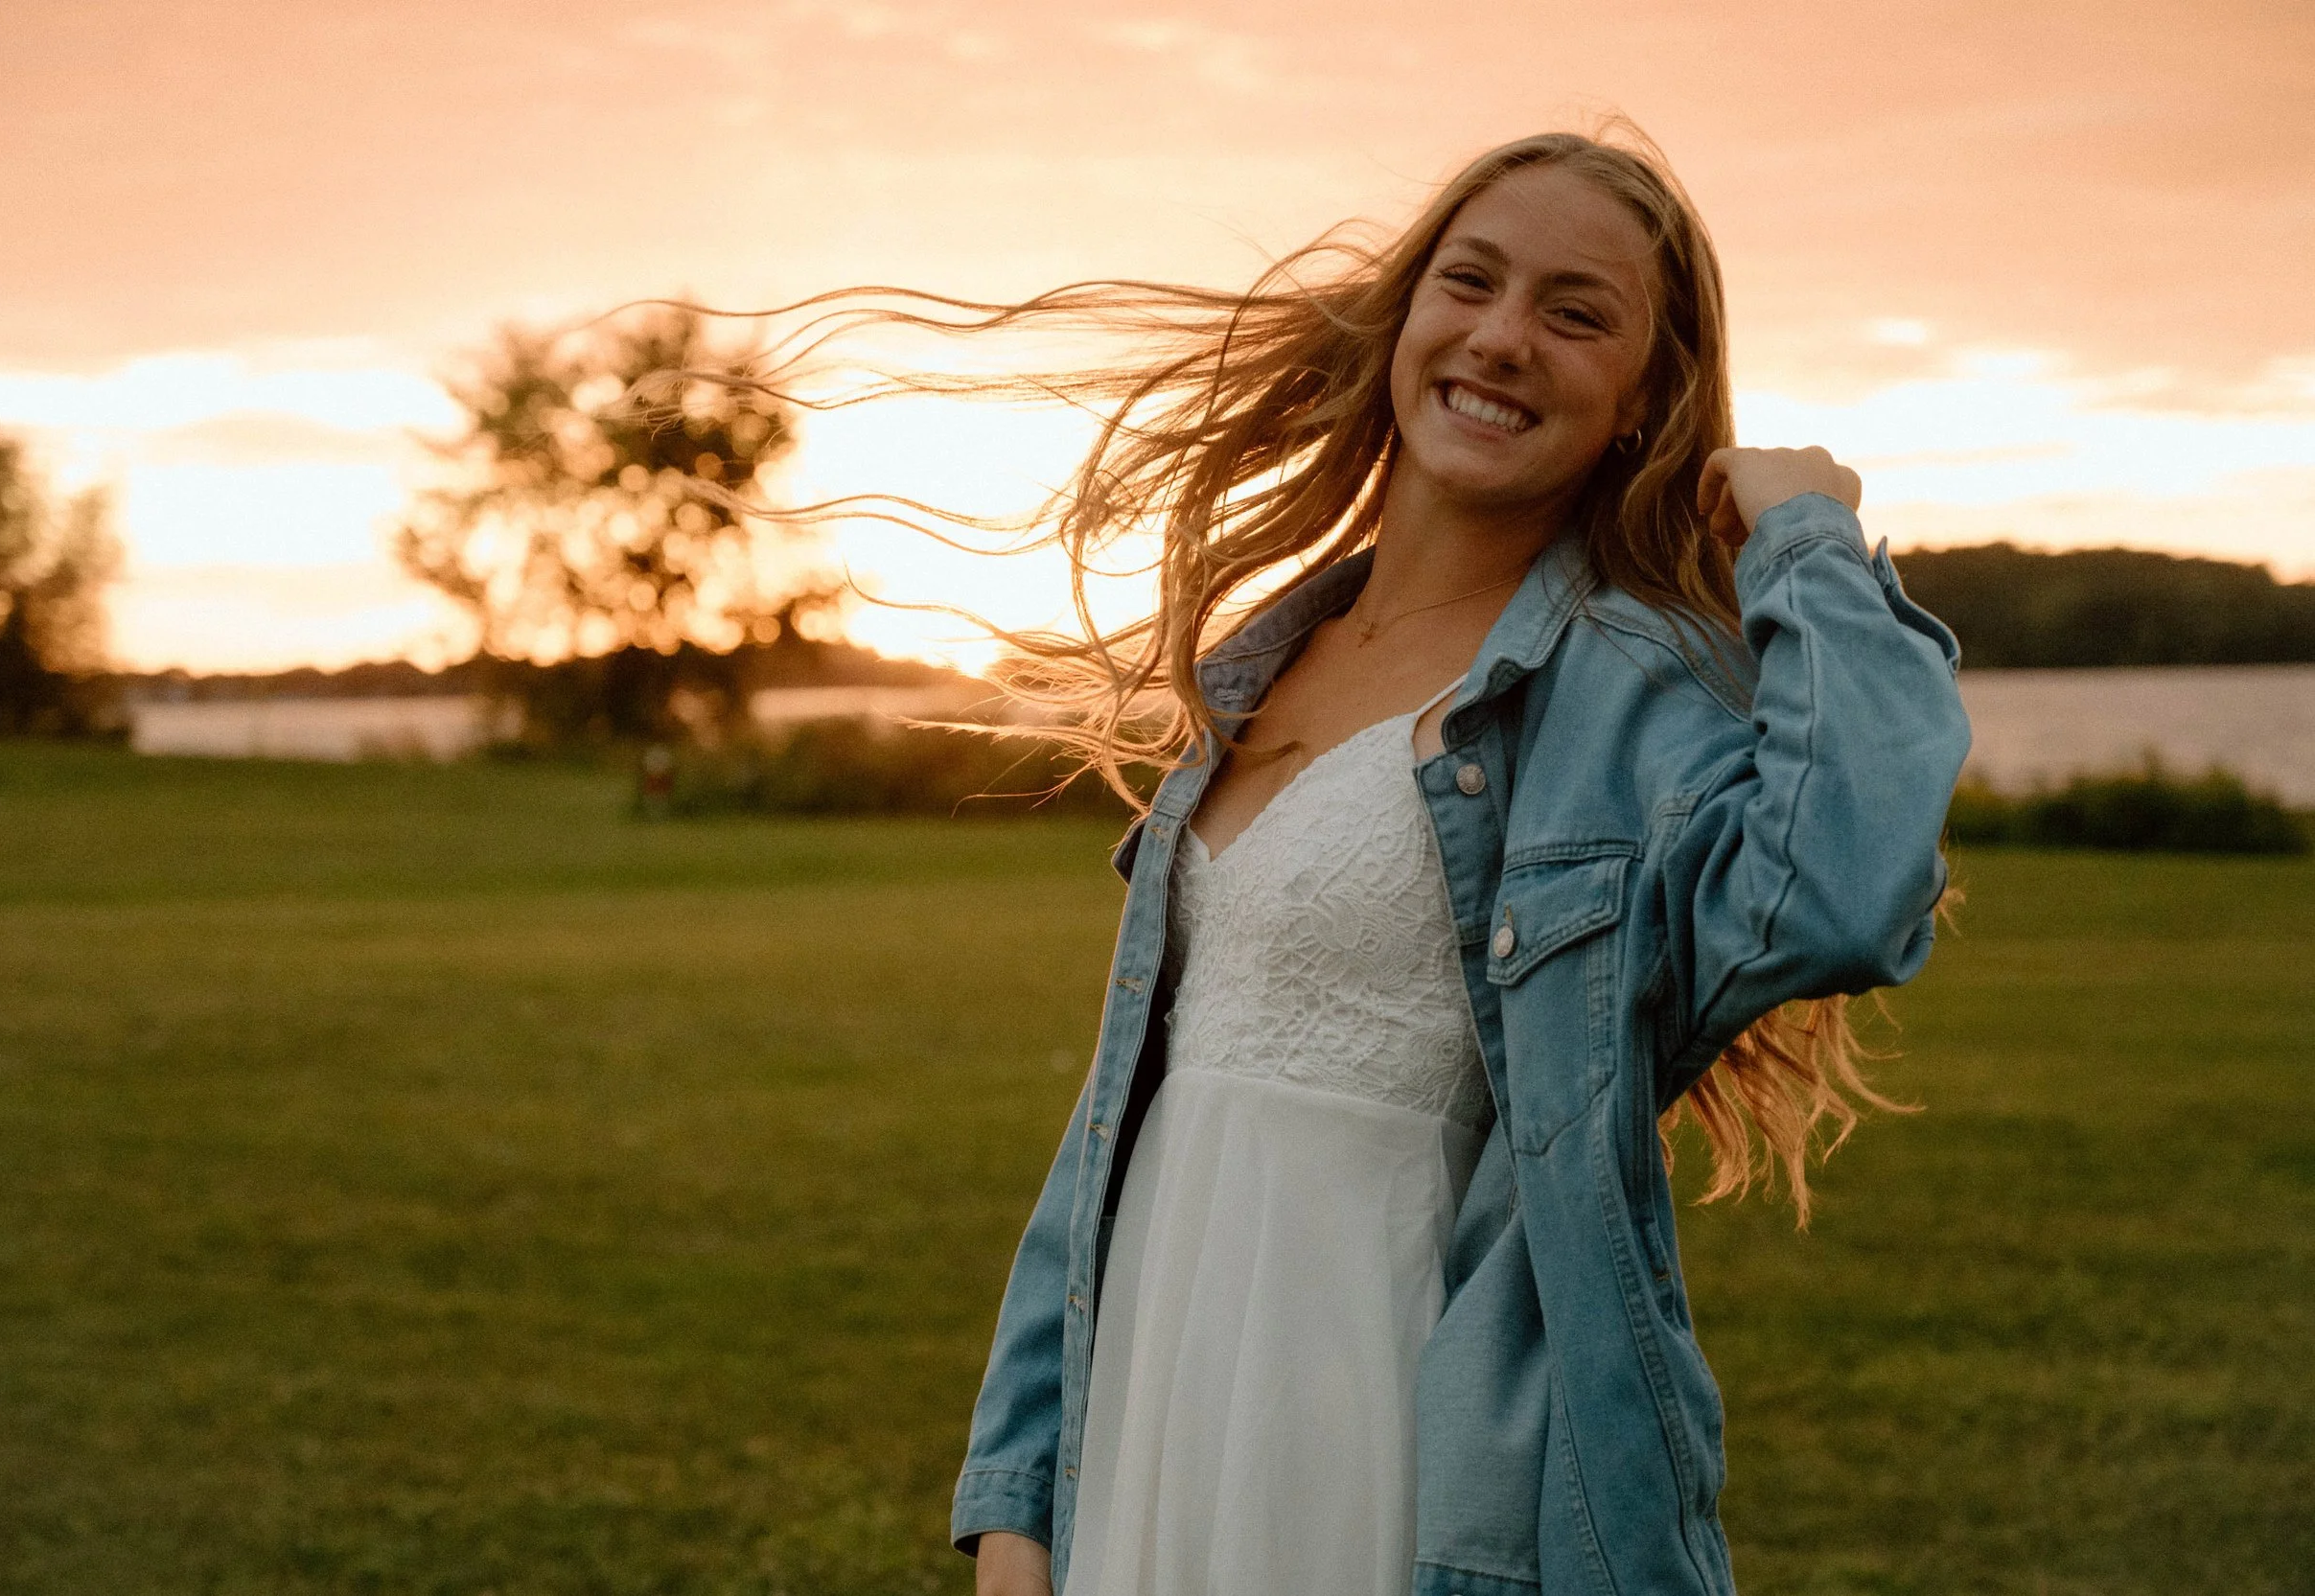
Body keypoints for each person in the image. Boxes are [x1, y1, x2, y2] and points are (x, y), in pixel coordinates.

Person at [683, 126, 1967, 1596]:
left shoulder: (1633, 690)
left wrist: (1808, 542)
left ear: (1645, 397)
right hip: (1154, 1389)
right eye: (1469, 282)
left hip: (1394, 1413)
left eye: (1575, 312)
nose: (1501, 338)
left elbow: (1842, 896)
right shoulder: (1262, 667)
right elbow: (1126, 1113)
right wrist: (1021, 1498)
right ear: (1407, 315)